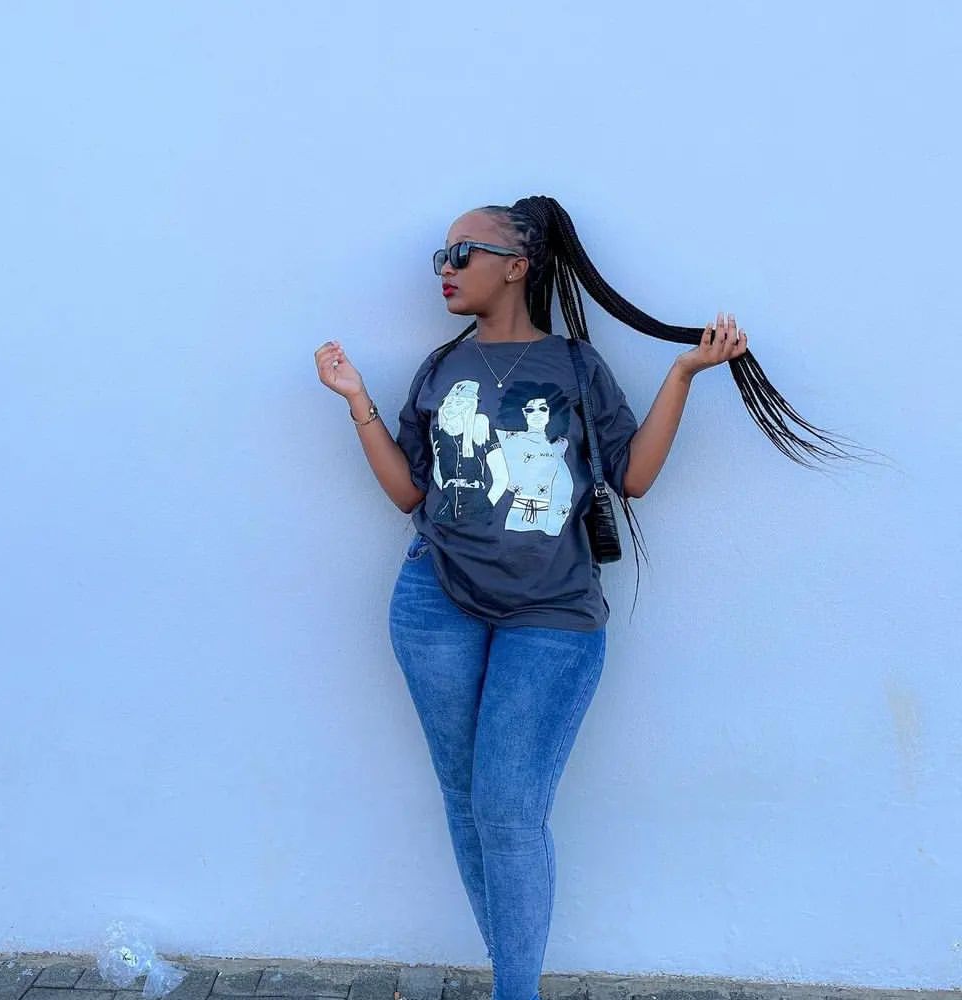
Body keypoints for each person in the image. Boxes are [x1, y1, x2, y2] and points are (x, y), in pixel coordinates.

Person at [312, 194, 858, 1000]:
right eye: (440, 257)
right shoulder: (438, 370)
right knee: (467, 802)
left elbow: (632, 476)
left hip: (552, 615)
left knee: (507, 808)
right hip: (434, 601)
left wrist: (683, 374)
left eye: (461, 253)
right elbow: (408, 494)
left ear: (516, 266)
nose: (444, 270)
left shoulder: (573, 367)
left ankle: (516, 991)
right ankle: (516, 984)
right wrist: (356, 398)